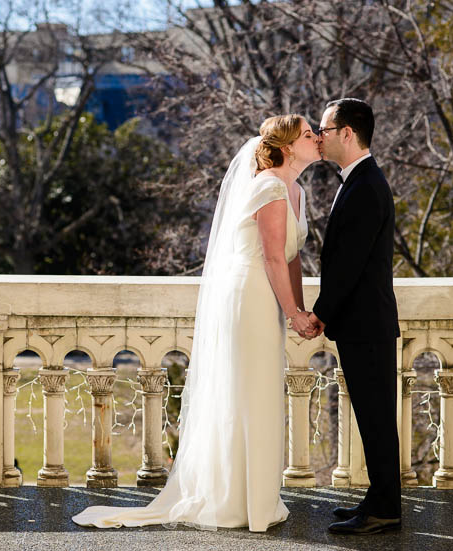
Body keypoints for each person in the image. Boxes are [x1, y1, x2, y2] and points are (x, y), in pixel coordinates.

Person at [72, 115, 321, 531]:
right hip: (250, 297)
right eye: (309, 134)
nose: (317, 139)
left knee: (259, 392)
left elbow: (293, 256)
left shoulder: (296, 191)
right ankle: (234, 501)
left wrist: (297, 307)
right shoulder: (270, 187)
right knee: (247, 391)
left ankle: (255, 496)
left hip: (270, 298)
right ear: (288, 146)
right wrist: (294, 313)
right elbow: (273, 256)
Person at [307, 98, 402, 535]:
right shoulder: (358, 179)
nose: (319, 138)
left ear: (347, 133)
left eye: (324, 130)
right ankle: (378, 499)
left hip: (366, 325)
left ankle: (384, 508)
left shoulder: (365, 185)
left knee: (377, 418)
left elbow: (350, 265)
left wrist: (320, 314)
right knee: (372, 415)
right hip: (364, 323)